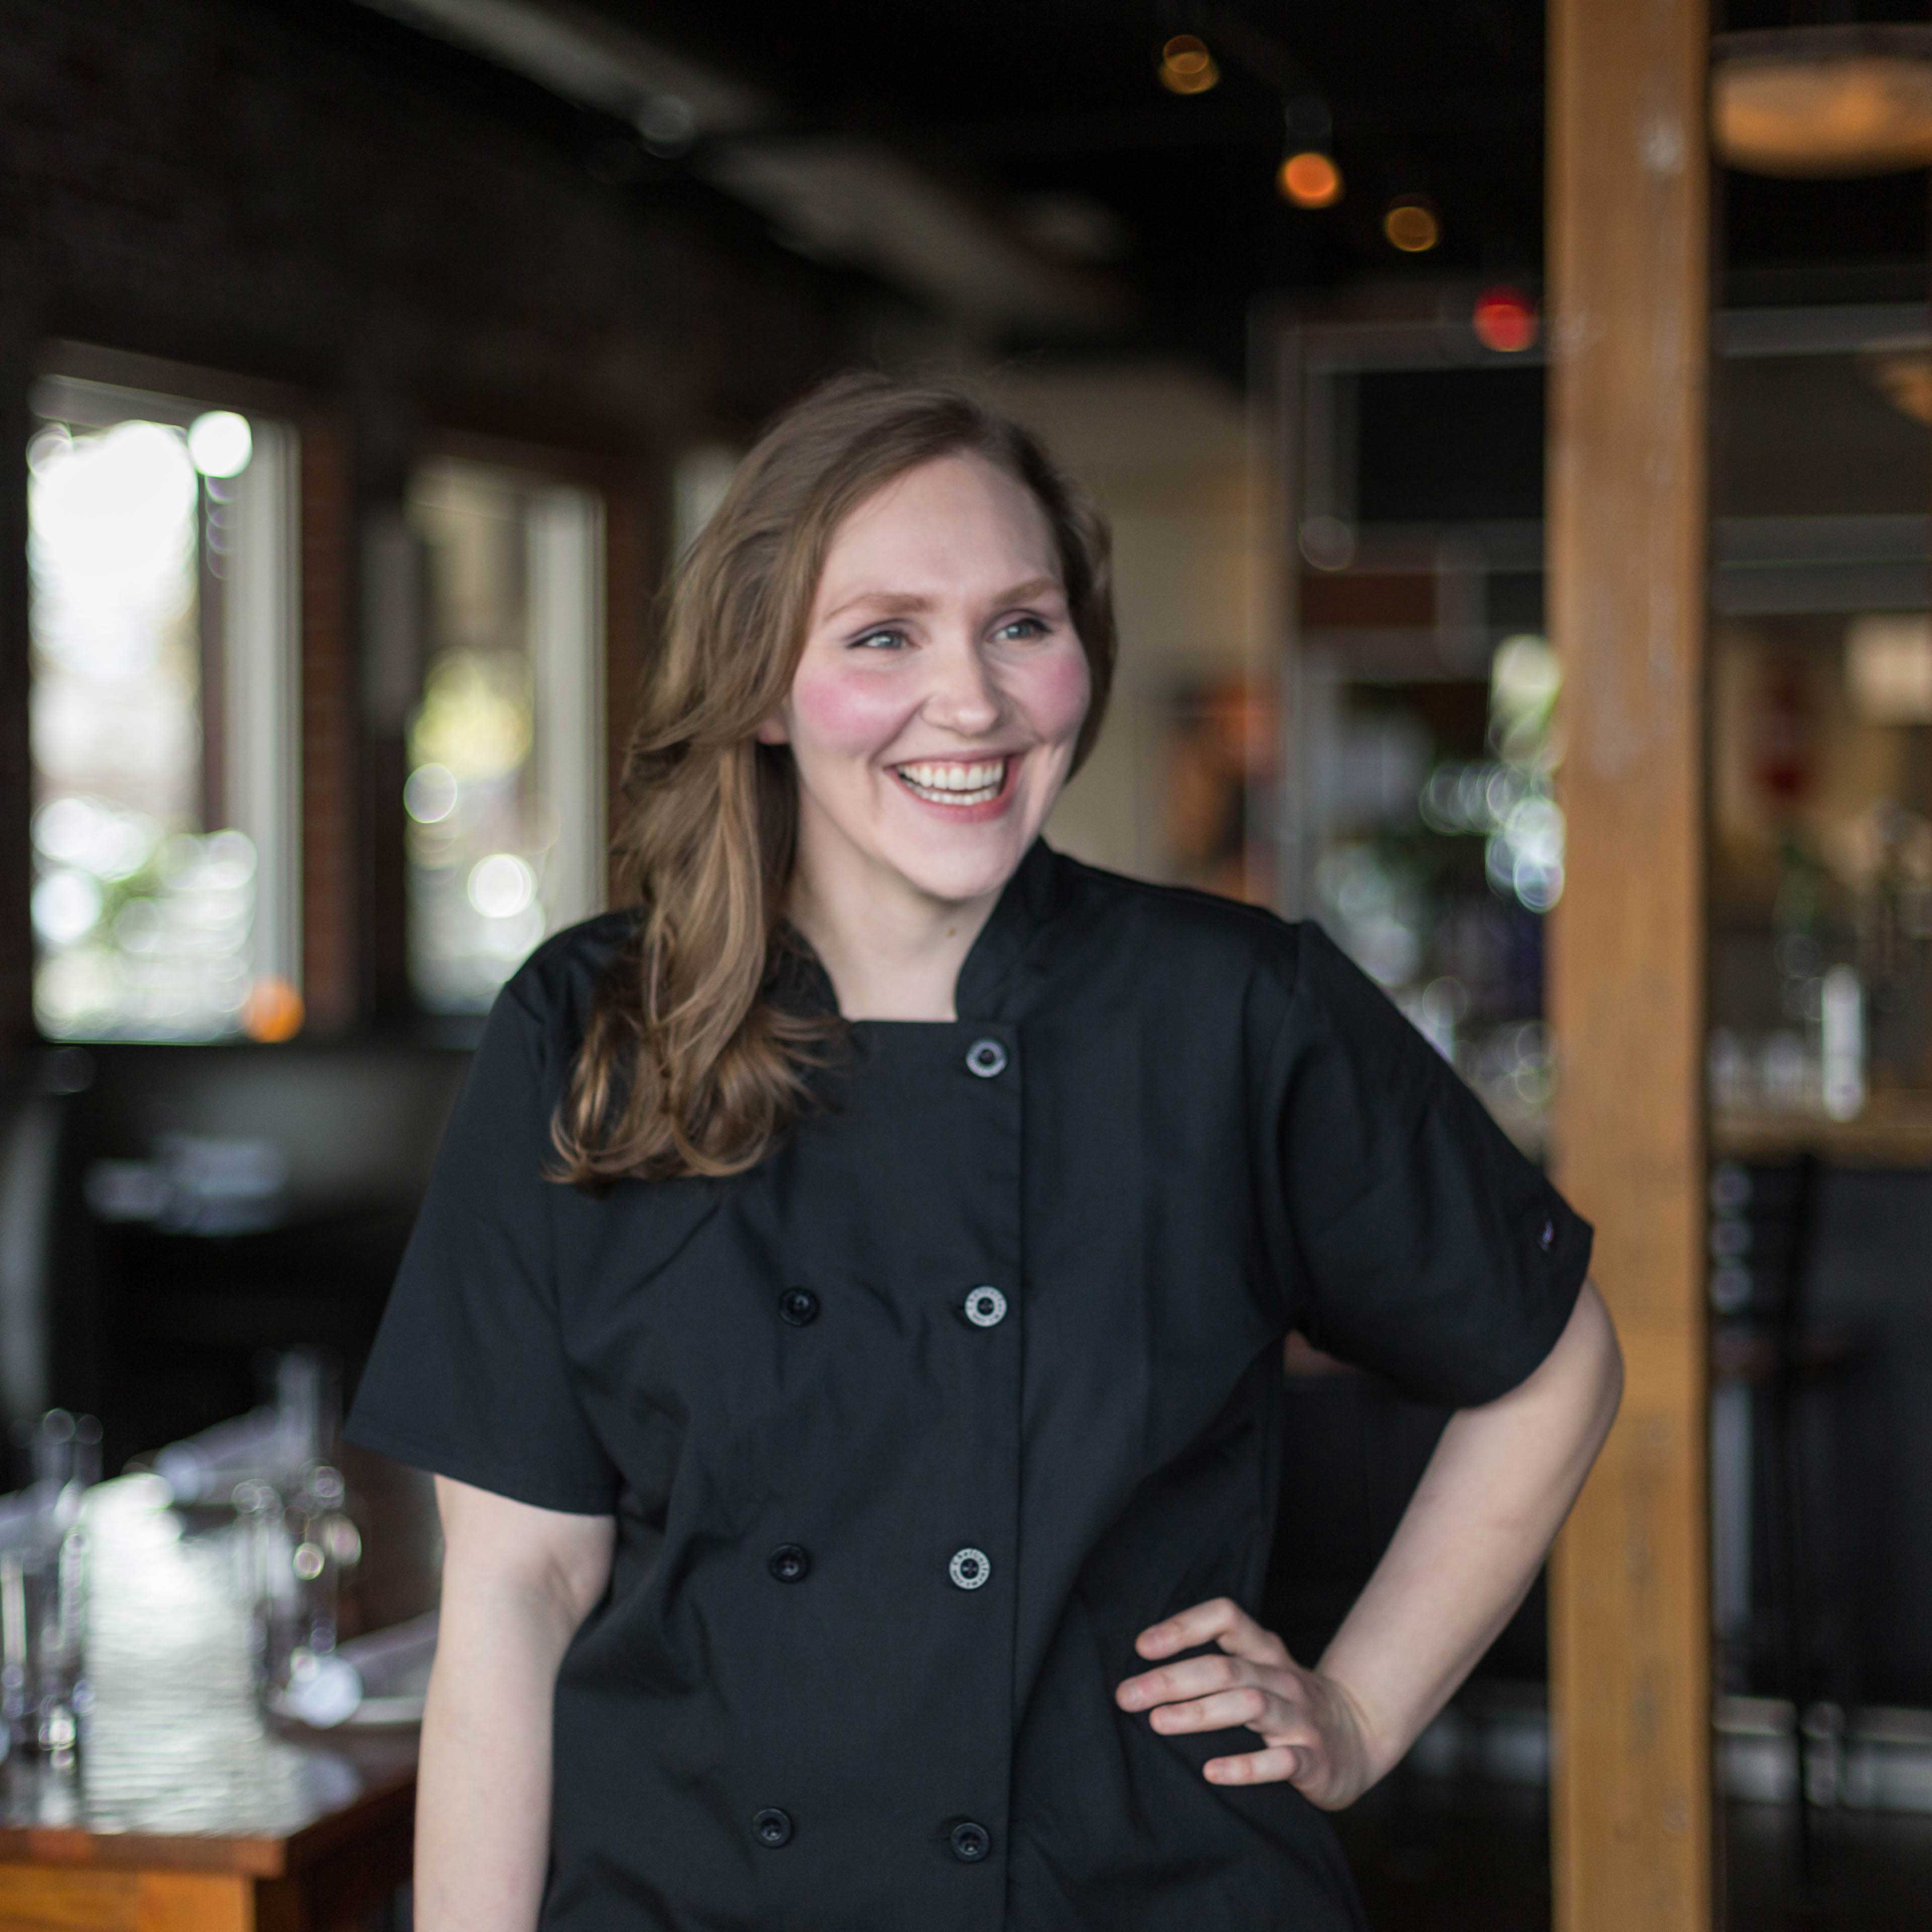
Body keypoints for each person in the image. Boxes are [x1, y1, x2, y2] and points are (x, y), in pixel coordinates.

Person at [346, 373, 1623, 1932]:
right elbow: (515, 1588)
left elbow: (1551, 1357)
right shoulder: (595, 1024)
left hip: (1133, 1890)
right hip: (688, 1895)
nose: (974, 703)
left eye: (1021, 624)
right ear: (762, 685)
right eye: (883, 635)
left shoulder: (1231, 1009)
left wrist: (1356, 1710)